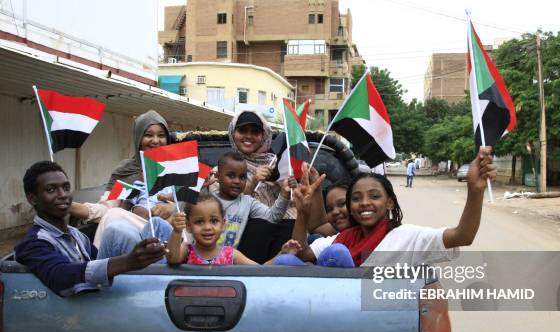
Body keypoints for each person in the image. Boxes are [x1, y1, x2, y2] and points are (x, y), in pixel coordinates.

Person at [291, 146, 496, 267]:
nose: (364, 203)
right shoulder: (342, 238)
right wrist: (302, 211)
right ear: (351, 207)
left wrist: (475, 191)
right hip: (332, 313)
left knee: (337, 254)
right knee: (289, 263)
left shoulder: (407, 237)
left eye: (374, 196)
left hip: (379, 320)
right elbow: (302, 254)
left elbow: (463, 236)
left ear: (389, 202)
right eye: (356, 198)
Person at [14, 161, 165, 297]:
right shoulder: (33, 243)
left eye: (66, 188)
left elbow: (99, 261)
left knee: (156, 225)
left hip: (96, 307)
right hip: (70, 318)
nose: (63, 195)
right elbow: (60, 276)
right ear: (33, 198)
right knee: (116, 230)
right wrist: (128, 261)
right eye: (51, 190)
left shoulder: (77, 235)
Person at [209, 110, 327, 262]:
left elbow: (280, 213)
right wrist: (253, 181)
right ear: (233, 133)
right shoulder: (219, 171)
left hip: (286, 242)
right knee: (259, 225)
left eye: (255, 132)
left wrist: (286, 191)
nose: (248, 136)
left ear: (264, 136)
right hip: (239, 248)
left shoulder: (281, 163)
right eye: (242, 130)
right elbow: (228, 206)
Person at [68, 110, 176, 247]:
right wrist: (69, 205)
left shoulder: (178, 166)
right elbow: (106, 209)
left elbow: (196, 203)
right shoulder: (126, 171)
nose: (155, 141)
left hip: (174, 231)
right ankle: (101, 265)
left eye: (161, 136)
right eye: (148, 135)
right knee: (113, 214)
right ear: (138, 139)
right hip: (136, 230)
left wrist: (172, 207)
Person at [167, 192, 301, 265]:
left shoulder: (231, 254)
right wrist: (177, 231)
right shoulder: (187, 249)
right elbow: (173, 258)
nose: (207, 227)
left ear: (223, 224)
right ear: (188, 226)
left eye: (214, 221)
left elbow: (260, 271)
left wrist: (281, 255)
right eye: (199, 222)